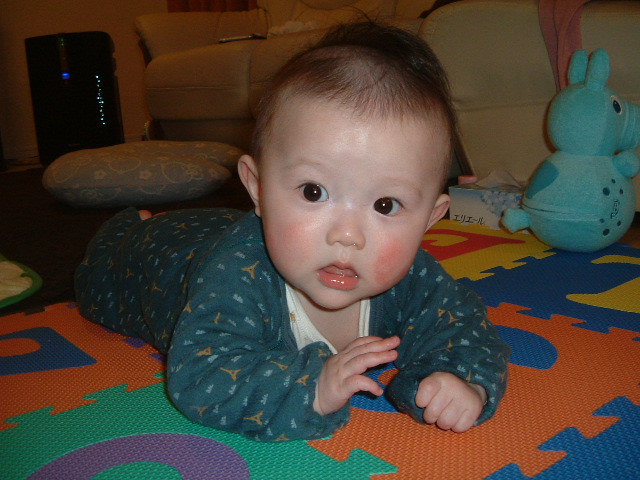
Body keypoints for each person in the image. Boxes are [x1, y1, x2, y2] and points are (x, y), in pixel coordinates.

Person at [75, 22, 510, 442]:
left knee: (223, 231)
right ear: (257, 187)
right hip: (161, 259)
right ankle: (132, 227)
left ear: (430, 219)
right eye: (313, 192)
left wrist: (461, 378)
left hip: (230, 229)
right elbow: (201, 376)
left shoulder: (416, 277)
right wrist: (312, 387)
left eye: (385, 205)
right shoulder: (232, 276)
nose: (347, 235)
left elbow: (464, 328)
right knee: (104, 276)